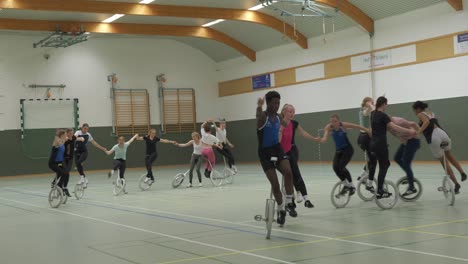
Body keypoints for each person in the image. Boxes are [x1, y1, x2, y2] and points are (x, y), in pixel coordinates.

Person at [256, 91, 297, 226]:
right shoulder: (263, 117)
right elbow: (258, 116)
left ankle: (289, 201)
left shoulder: (279, 117)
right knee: (275, 184)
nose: (277, 105)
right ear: (268, 103)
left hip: (276, 148)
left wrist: (290, 116)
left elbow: (285, 124)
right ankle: (281, 209)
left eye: (278, 103)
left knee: (288, 171)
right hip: (264, 153)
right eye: (274, 103)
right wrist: (258, 106)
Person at [413, 101, 466, 194]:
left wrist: (418, 132)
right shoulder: (430, 113)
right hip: (443, 134)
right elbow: (431, 121)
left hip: (434, 137)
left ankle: (456, 183)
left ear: (418, 108)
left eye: (414, 110)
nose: (415, 112)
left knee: (444, 162)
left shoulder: (420, 114)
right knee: (449, 155)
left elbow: (426, 122)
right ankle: (462, 172)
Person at [368, 97, 416, 199]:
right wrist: (409, 132)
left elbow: (372, 108)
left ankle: (379, 185)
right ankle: (380, 190)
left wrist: (369, 104)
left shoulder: (373, 114)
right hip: (381, 144)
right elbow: (395, 127)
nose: (387, 106)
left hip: (372, 144)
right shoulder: (383, 116)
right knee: (384, 166)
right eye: (386, 104)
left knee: (383, 165)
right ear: (384, 104)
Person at [315, 114, 370, 196]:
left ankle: (351, 186)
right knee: (335, 168)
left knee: (341, 167)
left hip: (348, 150)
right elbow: (324, 138)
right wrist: (320, 140)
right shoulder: (329, 127)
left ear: (339, 121)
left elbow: (357, 126)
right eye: (332, 122)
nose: (333, 123)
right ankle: (346, 185)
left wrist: (367, 130)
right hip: (338, 151)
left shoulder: (343, 125)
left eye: (335, 121)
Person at [280, 104, 317, 208]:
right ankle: (292, 197)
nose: (292, 114)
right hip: (281, 152)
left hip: (292, 150)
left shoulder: (294, 123)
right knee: (289, 174)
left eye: (293, 112)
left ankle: (306, 198)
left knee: (296, 172)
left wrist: (313, 138)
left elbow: (303, 133)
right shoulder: (279, 124)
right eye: (289, 111)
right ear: (283, 112)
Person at [388, 116, 420, 196]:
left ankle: (412, 188)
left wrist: (418, 132)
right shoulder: (388, 126)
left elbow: (413, 123)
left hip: (413, 141)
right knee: (397, 158)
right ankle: (410, 178)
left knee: (406, 163)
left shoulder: (399, 121)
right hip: (405, 143)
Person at [74, 123, 107, 188]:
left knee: (79, 162)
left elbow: (94, 143)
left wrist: (103, 148)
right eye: (84, 128)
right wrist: (79, 138)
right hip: (76, 151)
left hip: (84, 152)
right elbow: (73, 138)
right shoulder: (78, 132)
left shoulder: (88, 135)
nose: (86, 130)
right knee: (78, 165)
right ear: (82, 128)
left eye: (87, 129)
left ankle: (83, 179)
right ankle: (84, 179)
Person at [357, 97, 375, 180]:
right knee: (373, 159)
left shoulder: (368, 111)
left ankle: (364, 173)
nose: (372, 104)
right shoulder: (363, 111)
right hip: (365, 138)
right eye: (371, 102)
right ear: (366, 103)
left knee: (372, 158)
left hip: (366, 137)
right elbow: (367, 112)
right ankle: (367, 177)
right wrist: (370, 105)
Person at [48, 130, 68, 194]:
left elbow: (70, 137)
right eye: (65, 135)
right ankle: (58, 185)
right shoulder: (56, 142)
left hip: (59, 163)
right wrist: (57, 134)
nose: (66, 136)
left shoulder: (63, 141)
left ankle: (55, 183)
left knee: (66, 173)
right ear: (62, 135)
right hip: (53, 163)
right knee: (62, 173)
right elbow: (57, 140)